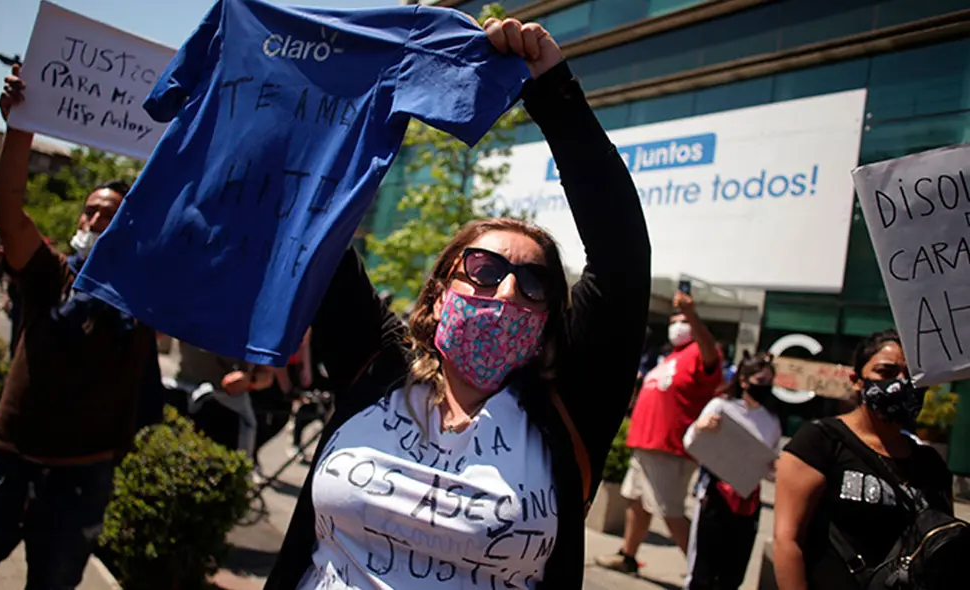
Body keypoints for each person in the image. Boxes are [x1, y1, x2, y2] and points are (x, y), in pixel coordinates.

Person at [264, 18, 649, 590]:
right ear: (441, 290)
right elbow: (309, 207)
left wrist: (552, 91)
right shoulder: (378, 368)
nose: (508, 291)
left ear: (549, 318)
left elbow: (623, 257)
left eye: (534, 283)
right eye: (486, 271)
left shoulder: (567, 411)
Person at [0, 66, 164, 589]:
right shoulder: (49, 274)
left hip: (81, 478)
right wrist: (19, 127)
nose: (95, 222)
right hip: (5, 464)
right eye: (89, 212)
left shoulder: (146, 295)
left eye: (109, 216)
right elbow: (8, 208)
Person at [773, 329, 953, 590]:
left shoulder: (930, 464)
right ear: (857, 380)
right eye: (885, 372)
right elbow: (786, 541)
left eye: (912, 375)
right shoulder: (821, 441)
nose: (901, 383)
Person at [597, 290, 722, 575]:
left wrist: (691, 314)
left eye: (683, 321)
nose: (677, 325)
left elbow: (709, 350)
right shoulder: (670, 357)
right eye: (674, 321)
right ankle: (628, 556)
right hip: (646, 444)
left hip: (670, 448)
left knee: (670, 511)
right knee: (637, 502)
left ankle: (704, 573)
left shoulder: (700, 354)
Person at [683, 352, 781, 590]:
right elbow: (690, 441)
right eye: (760, 380)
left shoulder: (771, 422)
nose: (765, 386)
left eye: (769, 382)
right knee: (703, 566)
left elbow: (769, 469)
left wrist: (774, 468)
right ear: (744, 381)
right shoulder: (721, 407)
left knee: (733, 570)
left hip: (747, 498)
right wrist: (701, 427)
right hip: (714, 494)